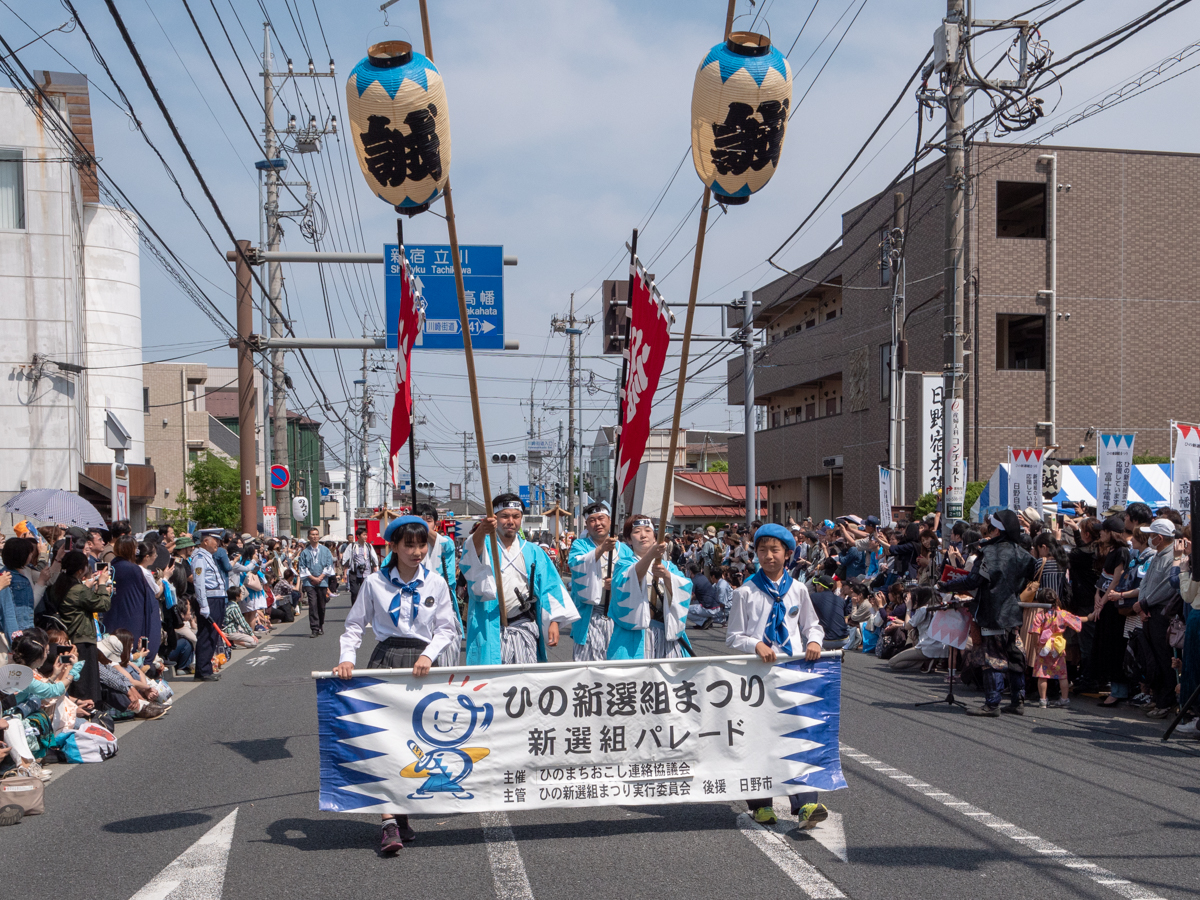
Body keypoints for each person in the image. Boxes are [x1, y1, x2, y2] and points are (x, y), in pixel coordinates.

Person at [334, 516, 459, 855]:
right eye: (409, 545)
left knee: (417, 741)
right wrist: (348, 658)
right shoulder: (374, 583)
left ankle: (402, 810)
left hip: (422, 666)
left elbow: (447, 629)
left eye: (422, 545)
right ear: (393, 546)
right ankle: (388, 821)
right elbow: (355, 625)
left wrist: (430, 654)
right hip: (386, 661)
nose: (417, 552)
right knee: (383, 740)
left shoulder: (436, 583)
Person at [726, 523, 826, 828]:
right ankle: (761, 804)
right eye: (763, 550)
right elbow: (733, 636)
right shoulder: (745, 592)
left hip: (794, 673)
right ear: (755, 554)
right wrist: (755, 643)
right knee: (758, 739)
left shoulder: (797, 589)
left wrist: (813, 641)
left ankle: (807, 804)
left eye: (775, 550)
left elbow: (812, 625)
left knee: (798, 737)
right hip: (757, 678)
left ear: (789, 555)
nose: (769, 556)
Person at [940, 510, 1038, 717]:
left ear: (996, 530)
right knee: (1014, 654)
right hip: (1012, 611)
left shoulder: (988, 553)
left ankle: (992, 703)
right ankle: (1017, 701)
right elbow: (1027, 580)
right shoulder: (1024, 555)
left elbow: (973, 581)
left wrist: (947, 585)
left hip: (991, 610)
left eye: (990, 527)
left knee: (991, 657)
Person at [460, 493, 578, 665]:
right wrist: (481, 531)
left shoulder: (533, 551)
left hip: (523, 624)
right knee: (491, 684)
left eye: (516, 516)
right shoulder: (484, 545)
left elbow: (550, 586)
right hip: (489, 625)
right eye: (504, 516)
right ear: (494, 518)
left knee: (525, 682)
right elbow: (469, 556)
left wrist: (554, 620)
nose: (511, 521)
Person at [608, 513, 693, 660]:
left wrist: (667, 576)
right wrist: (650, 556)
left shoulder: (668, 566)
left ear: (655, 537)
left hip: (666, 633)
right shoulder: (623, 564)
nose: (643, 535)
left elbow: (685, 589)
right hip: (635, 636)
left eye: (648, 531)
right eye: (636, 532)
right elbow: (626, 583)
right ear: (628, 539)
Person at [568, 501, 635, 662]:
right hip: (591, 614)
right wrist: (601, 550)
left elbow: (633, 577)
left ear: (610, 521)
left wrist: (617, 586)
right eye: (592, 520)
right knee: (588, 666)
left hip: (618, 615)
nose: (597, 523)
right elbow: (577, 566)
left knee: (617, 665)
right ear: (586, 525)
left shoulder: (624, 549)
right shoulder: (580, 545)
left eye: (601, 518)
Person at [56, 550, 112, 708]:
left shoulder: (60, 584)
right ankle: (88, 709)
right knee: (86, 681)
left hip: (69, 635)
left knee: (74, 677)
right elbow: (103, 604)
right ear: (81, 570)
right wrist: (102, 585)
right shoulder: (78, 590)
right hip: (82, 636)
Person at [416, 504, 463, 666]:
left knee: (445, 664)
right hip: (414, 610)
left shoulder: (445, 543)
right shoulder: (404, 546)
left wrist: (418, 524)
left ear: (435, 524)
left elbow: (444, 544)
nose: (424, 524)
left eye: (428, 520)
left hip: (442, 609)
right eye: (420, 520)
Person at [103, 536, 162, 662]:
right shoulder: (133, 569)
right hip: (134, 615)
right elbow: (147, 595)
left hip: (112, 614)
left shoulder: (110, 567)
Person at [1028, 587, 1083, 708]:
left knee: (1042, 675)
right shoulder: (1062, 614)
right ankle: (1064, 699)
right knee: (1062, 675)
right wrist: (1089, 617)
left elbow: (1036, 633)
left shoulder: (1039, 616)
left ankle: (1042, 700)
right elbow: (1076, 621)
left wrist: (1036, 647)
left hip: (1043, 648)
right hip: (1058, 647)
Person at [190, 528, 228, 682]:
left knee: (212, 634)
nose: (218, 544)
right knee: (206, 634)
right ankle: (202, 671)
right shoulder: (199, 557)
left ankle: (206, 668)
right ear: (206, 541)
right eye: (215, 541)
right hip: (210, 600)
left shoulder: (208, 556)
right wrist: (203, 604)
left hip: (217, 598)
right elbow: (199, 584)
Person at [298, 526, 335, 638]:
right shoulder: (304, 552)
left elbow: (329, 565)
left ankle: (320, 625)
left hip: (323, 581)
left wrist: (321, 577)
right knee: (312, 604)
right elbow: (302, 568)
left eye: (316, 534)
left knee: (321, 605)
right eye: (312, 535)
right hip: (309, 582)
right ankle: (314, 628)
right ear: (308, 537)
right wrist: (313, 578)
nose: (315, 536)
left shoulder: (325, 550)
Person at [341, 526, 379, 605]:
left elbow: (374, 560)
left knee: (366, 593)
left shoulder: (369, 546)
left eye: (366, 535)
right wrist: (345, 574)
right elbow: (346, 560)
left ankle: (365, 611)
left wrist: (376, 573)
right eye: (363, 535)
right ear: (358, 536)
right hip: (354, 572)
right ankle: (355, 611)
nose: (365, 537)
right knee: (354, 592)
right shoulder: (352, 546)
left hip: (366, 572)